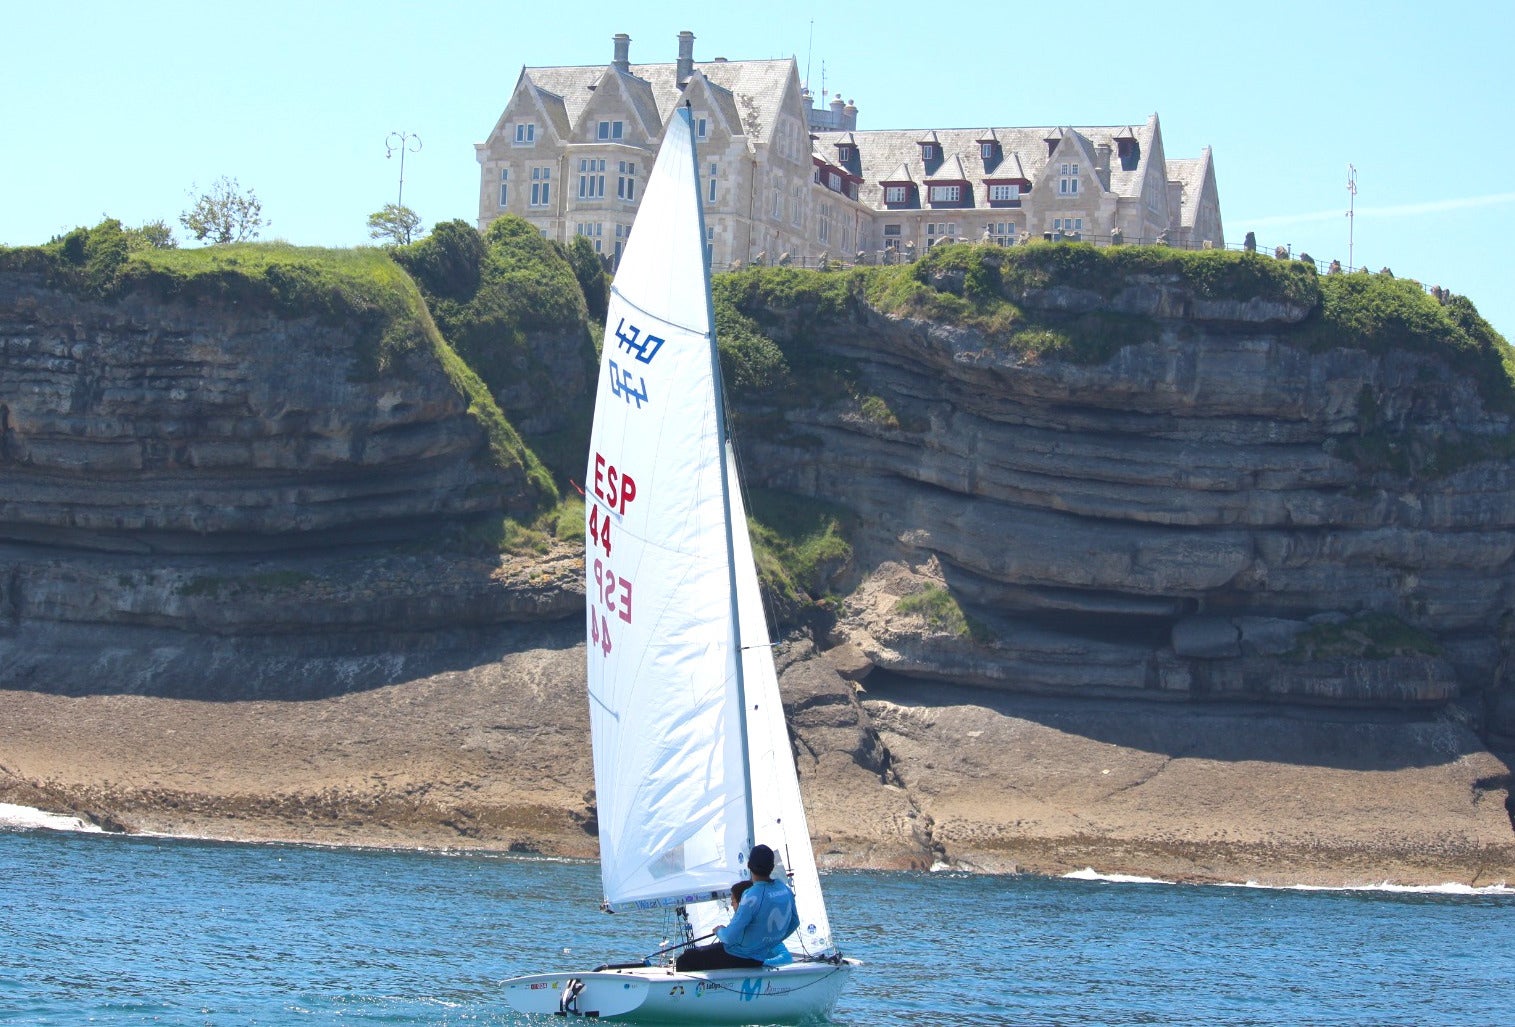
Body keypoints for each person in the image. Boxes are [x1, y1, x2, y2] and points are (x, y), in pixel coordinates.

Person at [675, 844, 800, 972]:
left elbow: (728, 937)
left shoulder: (751, 896)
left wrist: (719, 930)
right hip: (759, 958)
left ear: (749, 865)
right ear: (772, 867)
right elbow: (795, 922)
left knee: (686, 959)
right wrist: (768, 943)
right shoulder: (785, 889)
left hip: (739, 956)